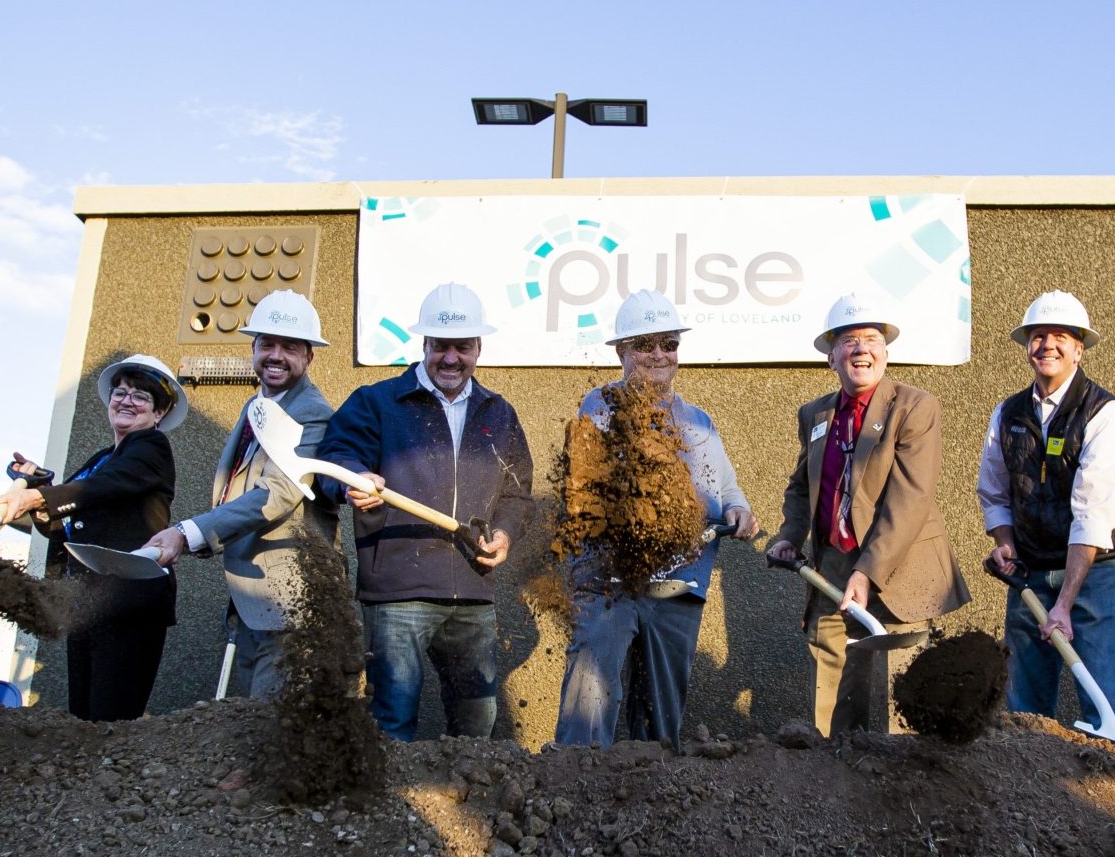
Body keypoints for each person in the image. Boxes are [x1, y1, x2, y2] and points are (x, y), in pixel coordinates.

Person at [315, 283, 531, 741]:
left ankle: (464, 808)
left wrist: (506, 536)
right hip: (398, 592)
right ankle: (389, 811)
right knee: (391, 722)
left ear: (478, 348)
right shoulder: (378, 402)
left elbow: (517, 494)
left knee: (477, 724)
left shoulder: (499, 412)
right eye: (440, 346)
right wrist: (355, 478)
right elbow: (334, 456)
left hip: (472, 590)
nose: (451, 358)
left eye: (462, 347)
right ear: (424, 345)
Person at [554, 290, 758, 747]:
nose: (659, 355)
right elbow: (587, 489)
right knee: (591, 693)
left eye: (669, 343)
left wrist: (739, 510)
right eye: (645, 345)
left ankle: (658, 793)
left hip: (679, 584)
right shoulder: (600, 409)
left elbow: (725, 487)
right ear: (621, 352)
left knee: (662, 714)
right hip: (611, 580)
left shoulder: (699, 421)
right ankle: (575, 783)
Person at [767, 291, 970, 736]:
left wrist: (868, 571)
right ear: (831, 357)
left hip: (899, 561)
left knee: (903, 682)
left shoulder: (914, 407)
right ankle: (833, 774)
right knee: (833, 673)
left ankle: (905, 787)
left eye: (872, 339)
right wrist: (790, 533)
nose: (862, 349)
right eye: (849, 340)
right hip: (834, 563)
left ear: (886, 352)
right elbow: (803, 485)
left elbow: (910, 497)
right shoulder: (815, 413)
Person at [143, 292, 340, 702]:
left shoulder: (311, 411)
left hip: (290, 594)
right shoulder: (258, 405)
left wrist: (188, 532)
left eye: (289, 347)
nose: (276, 355)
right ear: (252, 349)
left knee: (274, 718)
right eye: (267, 344)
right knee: (251, 716)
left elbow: (279, 493)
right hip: (252, 594)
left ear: (309, 358)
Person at [978, 290, 1115, 725]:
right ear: (1027, 347)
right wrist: (1005, 543)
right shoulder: (1007, 413)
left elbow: (1093, 514)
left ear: (1079, 349)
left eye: (1061, 336)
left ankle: (1110, 783)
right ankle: (1030, 791)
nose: (1048, 344)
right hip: (1030, 570)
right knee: (1025, 707)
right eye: (1038, 335)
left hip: (1094, 574)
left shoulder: (1102, 413)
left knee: (1104, 701)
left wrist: (1065, 602)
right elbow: (993, 491)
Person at [0, 354, 180, 722]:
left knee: (110, 720)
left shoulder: (151, 448)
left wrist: (39, 497)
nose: (126, 400)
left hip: (127, 602)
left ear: (158, 413)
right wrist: (40, 487)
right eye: (120, 392)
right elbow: (72, 517)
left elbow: (104, 487)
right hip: (91, 603)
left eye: (141, 396)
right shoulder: (105, 456)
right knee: (83, 717)